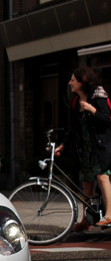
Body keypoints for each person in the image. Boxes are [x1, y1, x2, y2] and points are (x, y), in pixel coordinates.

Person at [56, 67, 111, 230]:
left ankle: (109, 214)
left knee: (102, 177)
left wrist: (91, 109)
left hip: (100, 147)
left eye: (73, 80)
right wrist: (63, 145)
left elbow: (106, 121)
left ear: (82, 82)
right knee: (86, 185)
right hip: (85, 150)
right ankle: (86, 220)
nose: (70, 83)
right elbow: (74, 128)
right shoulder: (75, 101)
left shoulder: (98, 96)